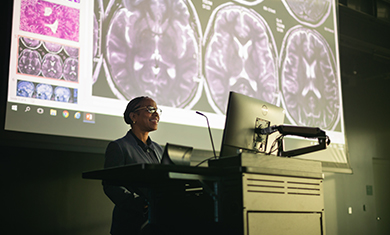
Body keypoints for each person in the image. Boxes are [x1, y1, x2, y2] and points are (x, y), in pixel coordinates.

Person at [103, 96, 163, 235]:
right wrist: (142, 204)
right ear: (133, 116)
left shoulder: (159, 149)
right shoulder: (119, 147)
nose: (156, 114)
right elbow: (111, 186)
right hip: (131, 224)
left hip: (158, 223)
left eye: (157, 110)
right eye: (150, 109)